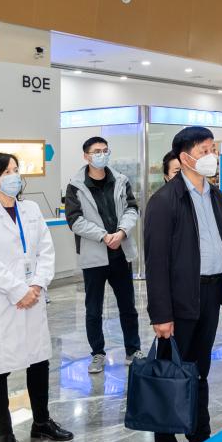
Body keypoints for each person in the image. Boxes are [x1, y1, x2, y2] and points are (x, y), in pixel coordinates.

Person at [144, 126, 222, 442]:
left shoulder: (213, 194)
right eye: (204, 150)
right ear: (185, 158)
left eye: (213, 148)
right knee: (172, 377)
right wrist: (161, 314)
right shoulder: (165, 200)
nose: (211, 155)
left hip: (210, 295)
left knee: (199, 373)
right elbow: (156, 263)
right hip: (179, 301)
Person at [0, 153, 73, 442]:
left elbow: (46, 250)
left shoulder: (31, 209)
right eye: (8, 172)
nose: (15, 176)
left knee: (38, 360)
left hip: (33, 297)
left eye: (16, 170)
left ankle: (41, 422)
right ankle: (6, 435)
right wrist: (18, 291)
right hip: (1, 302)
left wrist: (37, 285)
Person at [64, 136, 142, 374]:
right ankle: (97, 353)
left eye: (105, 150)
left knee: (128, 306)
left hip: (120, 253)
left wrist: (121, 232)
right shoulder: (76, 185)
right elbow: (74, 220)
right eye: (97, 151)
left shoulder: (120, 180)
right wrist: (103, 236)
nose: (102, 154)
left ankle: (133, 350)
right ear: (86, 156)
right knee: (93, 309)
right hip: (94, 256)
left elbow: (132, 208)